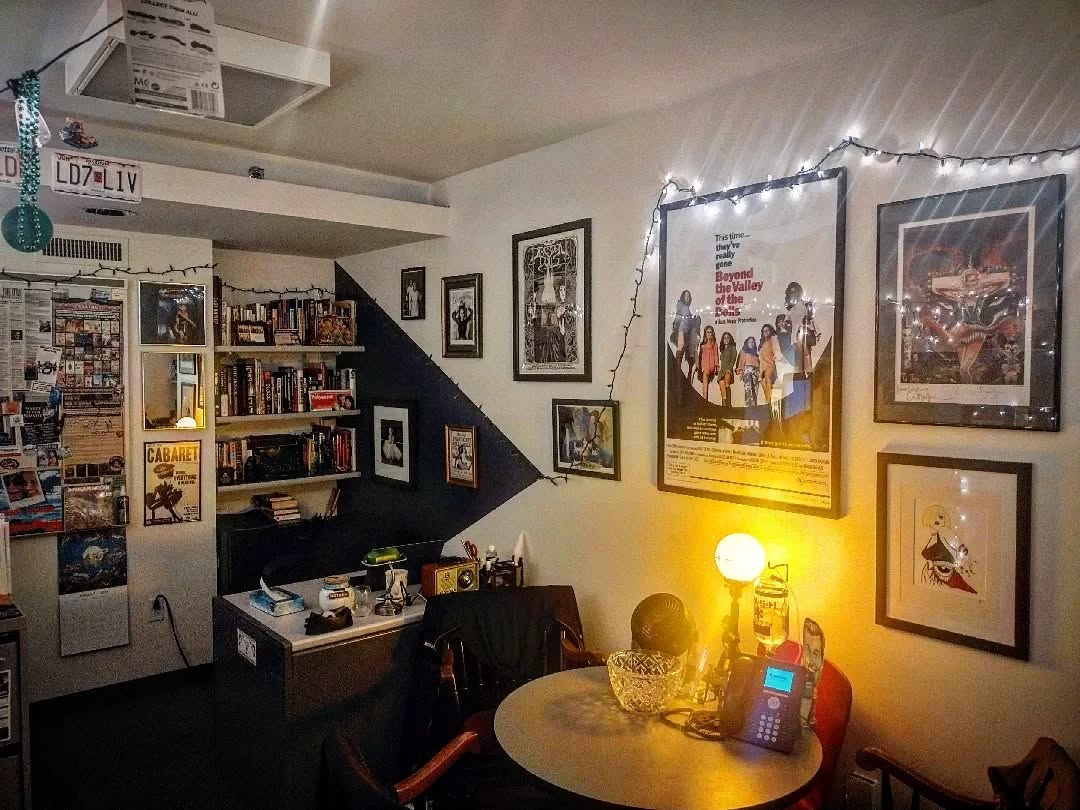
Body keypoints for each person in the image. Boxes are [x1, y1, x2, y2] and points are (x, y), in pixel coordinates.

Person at [670, 290, 699, 377]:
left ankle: (679, 369)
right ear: (683, 297)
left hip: (685, 330)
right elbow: (679, 317)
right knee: (681, 345)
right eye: (686, 296)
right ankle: (677, 368)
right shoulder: (681, 305)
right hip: (681, 328)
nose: (687, 297)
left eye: (688, 296)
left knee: (685, 348)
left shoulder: (686, 308)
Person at [758, 323, 782, 403]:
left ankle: (767, 405)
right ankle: (768, 404)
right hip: (762, 367)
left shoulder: (773, 339)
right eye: (764, 331)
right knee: (765, 387)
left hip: (770, 365)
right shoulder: (762, 343)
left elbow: (776, 350)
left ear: (770, 331)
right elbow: (760, 358)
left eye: (767, 330)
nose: (765, 332)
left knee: (768, 379)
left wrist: (777, 359)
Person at [695, 326, 720, 403]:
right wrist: (697, 365)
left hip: (711, 364)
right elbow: (699, 355)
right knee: (705, 380)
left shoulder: (714, 344)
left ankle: (705, 400)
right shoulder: (702, 344)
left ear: (713, 333)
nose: (709, 334)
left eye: (710, 332)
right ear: (705, 333)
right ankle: (705, 399)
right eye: (708, 332)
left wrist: (717, 366)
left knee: (706, 376)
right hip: (703, 364)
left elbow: (716, 355)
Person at [734, 336, 761, 407]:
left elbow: (759, 366)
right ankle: (748, 407)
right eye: (750, 342)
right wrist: (741, 372)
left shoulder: (756, 355)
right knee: (748, 390)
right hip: (748, 372)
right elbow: (741, 362)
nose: (751, 344)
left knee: (755, 391)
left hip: (756, 373)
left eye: (753, 342)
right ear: (747, 343)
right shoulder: (744, 352)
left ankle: (754, 409)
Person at [717, 331, 738, 408]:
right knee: (722, 386)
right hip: (722, 371)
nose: (726, 340)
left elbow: (733, 360)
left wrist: (729, 369)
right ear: (722, 340)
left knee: (726, 384)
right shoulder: (722, 350)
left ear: (730, 339)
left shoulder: (733, 348)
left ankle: (729, 405)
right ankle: (725, 405)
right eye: (724, 338)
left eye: (728, 338)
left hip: (728, 370)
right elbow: (722, 362)